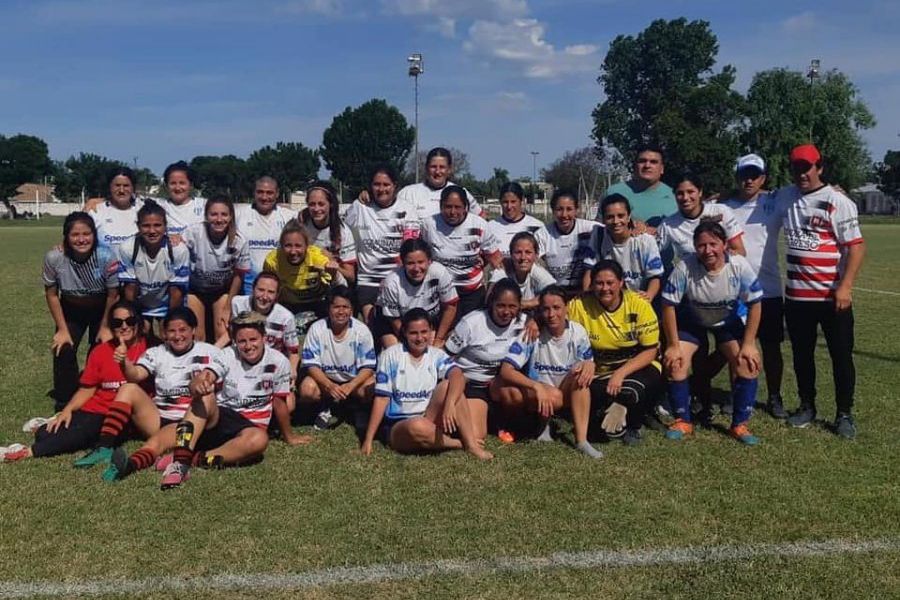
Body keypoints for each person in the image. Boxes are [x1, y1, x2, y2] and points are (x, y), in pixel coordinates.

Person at [149, 311, 294, 490]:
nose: (248, 346)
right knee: (206, 396)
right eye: (242, 341)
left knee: (259, 440)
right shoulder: (227, 354)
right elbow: (206, 376)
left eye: (253, 339)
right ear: (234, 341)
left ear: (263, 337)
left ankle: (193, 459)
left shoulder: (279, 361)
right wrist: (198, 385)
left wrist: (289, 436)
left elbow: (279, 402)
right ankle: (179, 465)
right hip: (224, 417)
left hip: (251, 427)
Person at [777, 144, 865, 438]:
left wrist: (845, 287)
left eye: (808, 167)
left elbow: (856, 247)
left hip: (831, 297)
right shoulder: (786, 197)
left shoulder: (836, 201)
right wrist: (717, 196)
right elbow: (751, 197)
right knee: (802, 356)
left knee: (841, 356)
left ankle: (844, 414)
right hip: (798, 298)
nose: (802, 173)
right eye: (797, 167)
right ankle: (806, 406)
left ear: (820, 168)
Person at [0, 302, 147, 463]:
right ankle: (48, 423)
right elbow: (87, 390)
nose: (124, 326)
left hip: (117, 415)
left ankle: (25, 452)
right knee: (45, 433)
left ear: (138, 322)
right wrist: (67, 409)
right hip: (94, 409)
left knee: (83, 432)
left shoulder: (148, 349)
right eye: (117, 323)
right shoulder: (101, 351)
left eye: (130, 321)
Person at [660, 222, 763, 445]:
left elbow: (755, 303)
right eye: (701, 245)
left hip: (727, 321)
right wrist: (673, 344)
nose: (708, 250)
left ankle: (739, 424)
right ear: (695, 247)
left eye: (713, 244)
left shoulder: (739, 265)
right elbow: (668, 305)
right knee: (676, 363)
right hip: (693, 321)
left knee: (747, 363)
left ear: (725, 244)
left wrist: (749, 344)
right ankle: (683, 420)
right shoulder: (685, 267)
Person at [100, 306, 228, 481]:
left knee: (204, 395)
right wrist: (124, 363)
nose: (177, 336)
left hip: (195, 419)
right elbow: (135, 375)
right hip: (161, 418)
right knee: (128, 388)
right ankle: (104, 448)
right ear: (165, 334)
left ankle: (136, 465)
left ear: (193, 330)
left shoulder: (211, 352)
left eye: (183, 330)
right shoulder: (157, 352)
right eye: (172, 331)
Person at [361, 308, 491, 460]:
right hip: (399, 426)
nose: (420, 338)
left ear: (431, 332)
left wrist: (449, 403)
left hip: (427, 417)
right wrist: (368, 439)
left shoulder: (436, 355)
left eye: (424, 332)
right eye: (413, 333)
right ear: (404, 332)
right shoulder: (390, 356)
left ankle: (472, 446)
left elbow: (457, 375)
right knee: (417, 425)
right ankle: (458, 443)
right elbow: (382, 399)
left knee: (450, 386)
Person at [720, 154, 788, 418]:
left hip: (768, 289)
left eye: (755, 175)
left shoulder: (775, 201)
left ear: (763, 178)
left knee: (771, 347)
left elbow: (805, 196)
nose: (749, 180)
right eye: (744, 175)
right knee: (736, 347)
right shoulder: (723, 207)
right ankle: (736, 393)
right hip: (734, 291)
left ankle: (774, 397)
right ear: (736, 176)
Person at [496, 285, 600, 458]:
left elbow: (588, 364)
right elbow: (506, 370)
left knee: (580, 375)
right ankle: (537, 424)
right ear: (539, 311)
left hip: (564, 393)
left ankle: (582, 440)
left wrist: (590, 364)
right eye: (545, 309)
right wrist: (536, 386)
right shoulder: (532, 332)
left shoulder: (578, 332)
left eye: (557, 308)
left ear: (567, 308)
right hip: (540, 394)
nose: (551, 315)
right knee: (512, 390)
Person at [568, 260, 663, 447]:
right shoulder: (579, 305)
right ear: (592, 284)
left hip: (638, 367)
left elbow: (650, 351)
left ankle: (633, 424)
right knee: (588, 393)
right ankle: (616, 411)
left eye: (610, 283)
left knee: (632, 391)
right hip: (600, 372)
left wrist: (620, 373)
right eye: (599, 283)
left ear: (621, 283)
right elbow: (554, 316)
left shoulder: (638, 304)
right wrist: (536, 322)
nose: (605, 288)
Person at [43, 212, 120, 411]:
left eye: (87, 233)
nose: (81, 239)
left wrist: (105, 326)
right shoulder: (55, 258)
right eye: (75, 235)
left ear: (94, 235)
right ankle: (64, 401)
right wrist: (61, 329)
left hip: (101, 309)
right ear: (65, 238)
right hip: (71, 309)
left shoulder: (106, 256)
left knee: (99, 351)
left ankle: (94, 396)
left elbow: (113, 295)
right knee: (63, 348)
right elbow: (52, 295)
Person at [445, 279, 527, 443]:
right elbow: (446, 356)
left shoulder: (524, 322)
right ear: (491, 303)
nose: (506, 312)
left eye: (512, 306)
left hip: (497, 383)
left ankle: (503, 422)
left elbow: (542, 318)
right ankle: (477, 415)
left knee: (515, 394)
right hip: (471, 383)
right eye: (501, 305)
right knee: (476, 435)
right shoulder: (471, 322)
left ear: (519, 306)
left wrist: (535, 323)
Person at [344, 164, 419, 322]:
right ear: (370, 186)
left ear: (395, 186)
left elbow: (410, 247)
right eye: (377, 184)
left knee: (400, 328)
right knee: (373, 326)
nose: (381, 189)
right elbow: (339, 230)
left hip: (398, 279)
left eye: (386, 184)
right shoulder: (360, 207)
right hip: (368, 280)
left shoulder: (407, 209)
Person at [298, 287, 377, 431]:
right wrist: (329, 385)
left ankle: (358, 407)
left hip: (353, 382)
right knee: (307, 389)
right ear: (329, 308)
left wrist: (350, 386)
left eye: (345, 307)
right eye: (336, 307)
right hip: (326, 381)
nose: (341, 312)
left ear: (352, 309)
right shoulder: (317, 329)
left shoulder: (362, 331)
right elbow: (311, 366)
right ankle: (324, 406)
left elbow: (368, 368)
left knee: (372, 387)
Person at [420, 185, 502, 320]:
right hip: (440, 293)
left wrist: (494, 286)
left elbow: (496, 259)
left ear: (466, 207)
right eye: (448, 207)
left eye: (457, 207)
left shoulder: (480, 225)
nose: (452, 212)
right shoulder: (429, 225)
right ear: (440, 206)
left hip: (471, 293)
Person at [182, 196, 250, 343]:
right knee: (197, 336)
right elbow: (176, 250)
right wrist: (174, 240)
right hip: (196, 290)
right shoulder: (193, 232)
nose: (219, 219)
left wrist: (228, 307)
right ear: (206, 216)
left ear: (231, 216)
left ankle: (219, 363)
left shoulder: (239, 240)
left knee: (222, 331)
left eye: (224, 214)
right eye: (214, 214)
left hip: (222, 291)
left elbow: (239, 275)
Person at [116, 200, 191, 331]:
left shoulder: (178, 250)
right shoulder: (127, 248)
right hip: (141, 305)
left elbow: (176, 291)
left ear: (165, 226)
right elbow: (130, 288)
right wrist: (137, 317)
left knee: (170, 337)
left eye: (157, 225)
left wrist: (169, 321)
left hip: (167, 305)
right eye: (146, 226)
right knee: (140, 338)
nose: (152, 231)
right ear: (138, 226)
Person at [263, 219, 339, 339]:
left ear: (307, 246)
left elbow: (334, 286)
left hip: (316, 304)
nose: (293, 251)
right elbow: (267, 289)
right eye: (288, 246)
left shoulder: (318, 258)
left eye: (298, 246)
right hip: (287, 305)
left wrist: (333, 273)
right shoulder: (272, 261)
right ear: (281, 245)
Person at [375, 238, 458, 348]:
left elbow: (450, 307)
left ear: (429, 261)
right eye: (410, 263)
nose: (416, 268)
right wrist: (411, 343)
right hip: (397, 323)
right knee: (398, 353)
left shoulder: (439, 272)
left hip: (429, 322)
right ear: (402, 263)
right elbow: (394, 319)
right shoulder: (391, 283)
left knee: (437, 350)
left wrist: (438, 339)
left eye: (421, 262)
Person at [582, 194, 664, 301]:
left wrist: (649, 295)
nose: (616, 221)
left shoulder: (646, 241)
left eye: (620, 216)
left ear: (629, 216)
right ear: (603, 219)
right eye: (610, 217)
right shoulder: (598, 235)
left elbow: (655, 276)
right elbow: (590, 269)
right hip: (606, 300)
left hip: (637, 300)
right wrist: (587, 296)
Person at [656, 173, 746, 262]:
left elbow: (740, 251)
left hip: (723, 272)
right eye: (680, 193)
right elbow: (650, 249)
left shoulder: (720, 211)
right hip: (690, 275)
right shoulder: (668, 225)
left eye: (690, 192)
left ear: (700, 192)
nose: (685, 198)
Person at [235, 176, 296, 294]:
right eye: (260, 192)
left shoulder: (289, 217)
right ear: (254, 192)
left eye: (269, 193)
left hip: (279, 287)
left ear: (277, 193)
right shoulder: (239, 215)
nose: (264, 197)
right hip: (247, 288)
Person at [535, 190, 598, 297]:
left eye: (569, 209)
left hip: (585, 290)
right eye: (559, 209)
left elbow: (613, 229)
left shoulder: (590, 227)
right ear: (553, 211)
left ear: (577, 210)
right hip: (556, 291)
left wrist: (632, 226)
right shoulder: (542, 234)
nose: (564, 215)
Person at [599, 145, 676, 229]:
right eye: (642, 161)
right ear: (634, 166)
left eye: (653, 162)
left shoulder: (675, 197)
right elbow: (599, 228)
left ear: (662, 169)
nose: (647, 165)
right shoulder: (613, 192)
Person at [397, 147, 482, 220]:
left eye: (442, 167)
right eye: (433, 167)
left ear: (449, 169)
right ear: (426, 168)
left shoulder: (460, 193)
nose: (437, 172)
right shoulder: (408, 193)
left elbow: (481, 217)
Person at [298, 180, 357, 285]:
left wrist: (331, 262)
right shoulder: (300, 223)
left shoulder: (343, 232)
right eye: (312, 204)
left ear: (331, 204)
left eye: (321, 204)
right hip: (305, 285)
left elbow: (351, 276)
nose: (316, 209)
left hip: (333, 288)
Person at [488, 232, 555, 313]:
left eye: (528, 252)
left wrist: (527, 304)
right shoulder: (502, 269)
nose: (523, 257)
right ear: (511, 254)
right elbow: (489, 299)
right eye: (518, 252)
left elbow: (555, 294)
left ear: (536, 255)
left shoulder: (537, 271)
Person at [89, 167, 143, 252]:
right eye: (117, 185)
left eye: (126, 186)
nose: (121, 190)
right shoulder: (96, 211)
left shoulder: (143, 209)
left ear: (133, 188)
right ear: (109, 187)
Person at [486, 181, 543, 256]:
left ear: (521, 201)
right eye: (505, 202)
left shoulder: (537, 226)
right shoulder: (490, 227)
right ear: (500, 202)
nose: (509, 206)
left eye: (513, 202)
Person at [156, 161, 206, 235]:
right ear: (166, 186)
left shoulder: (204, 205)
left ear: (191, 185)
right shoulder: (158, 206)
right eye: (173, 183)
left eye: (182, 183)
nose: (177, 188)